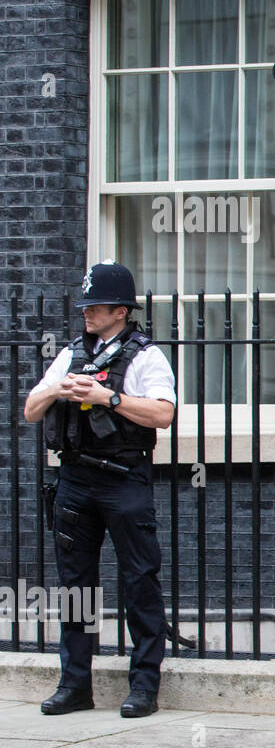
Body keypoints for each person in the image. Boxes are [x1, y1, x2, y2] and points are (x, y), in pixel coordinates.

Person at [23, 261, 176, 718]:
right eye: (85, 306)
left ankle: (144, 686)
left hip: (124, 480)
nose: (87, 314)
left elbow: (163, 414)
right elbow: (31, 409)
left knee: (139, 581)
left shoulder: (145, 355)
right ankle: (74, 685)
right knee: (76, 588)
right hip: (75, 481)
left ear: (121, 310)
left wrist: (108, 397)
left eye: (96, 307)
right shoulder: (71, 353)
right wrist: (60, 389)